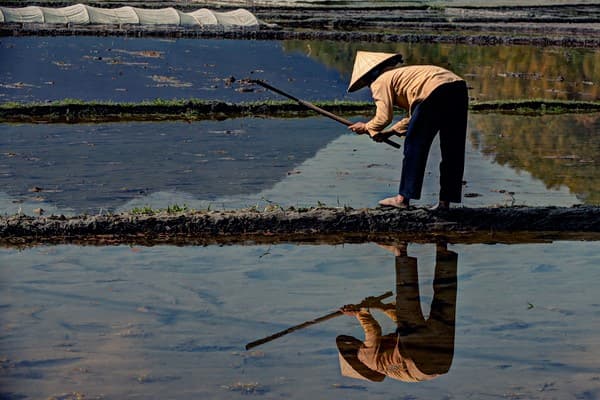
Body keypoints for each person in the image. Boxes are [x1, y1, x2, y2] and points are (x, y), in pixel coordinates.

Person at [347, 51, 469, 210]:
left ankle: (402, 199)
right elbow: (416, 116)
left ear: (370, 76)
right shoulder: (404, 75)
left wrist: (366, 127)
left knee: (415, 147)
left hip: (434, 92)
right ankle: (445, 203)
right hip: (458, 88)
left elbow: (383, 118)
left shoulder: (380, 81)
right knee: (453, 150)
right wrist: (389, 133)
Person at [337, 242, 458, 382]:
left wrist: (381, 306)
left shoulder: (384, 364)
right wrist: (360, 312)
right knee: (407, 299)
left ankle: (442, 246)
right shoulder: (366, 360)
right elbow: (373, 332)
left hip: (442, 363)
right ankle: (400, 250)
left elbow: (401, 324)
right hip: (415, 360)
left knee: (444, 302)